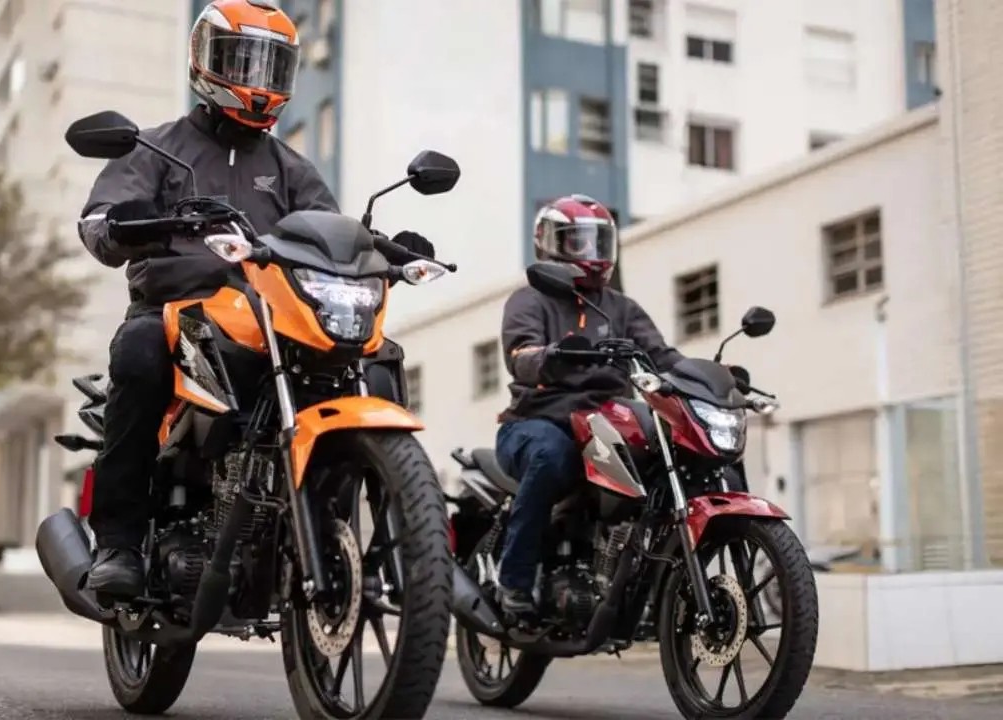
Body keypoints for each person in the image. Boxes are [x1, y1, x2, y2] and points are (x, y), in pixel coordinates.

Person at [77, 0, 433, 600]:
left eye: (271, 66)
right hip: (178, 313)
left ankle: (379, 548)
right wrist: (122, 222)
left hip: (273, 321)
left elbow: (329, 235)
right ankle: (119, 543)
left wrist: (386, 250)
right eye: (242, 61)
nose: (256, 79)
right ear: (204, 60)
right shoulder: (155, 149)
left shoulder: (292, 168)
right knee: (139, 351)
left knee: (376, 358)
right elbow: (98, 222)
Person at [494, 195, 682, 621]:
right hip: (538, 420)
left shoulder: (621, 307)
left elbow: (662, 356)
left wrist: (710, 376)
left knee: (670, 459)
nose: (591, 253)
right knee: (551, 456)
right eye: (578, 241)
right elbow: (520, 353)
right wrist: (548, 356)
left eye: (599, 242)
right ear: (548, 243)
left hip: (608, 422)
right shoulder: (530, 299)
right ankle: (515, 581)